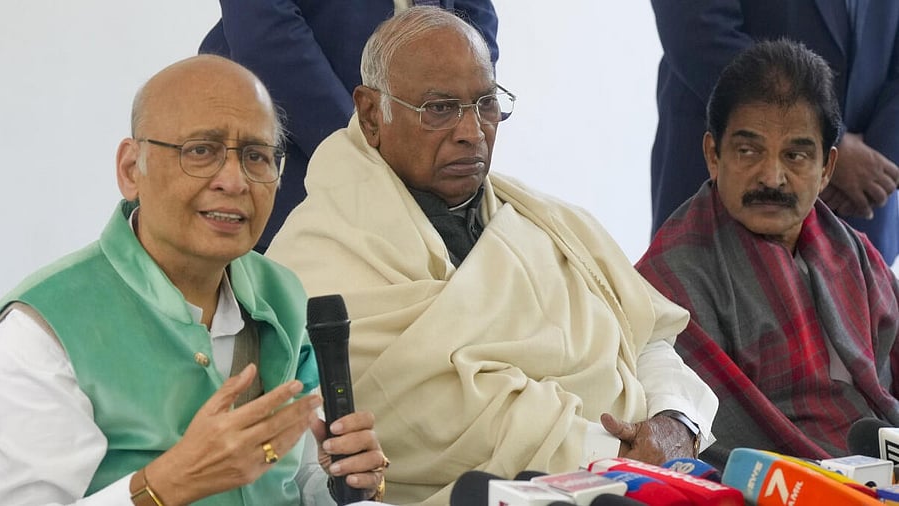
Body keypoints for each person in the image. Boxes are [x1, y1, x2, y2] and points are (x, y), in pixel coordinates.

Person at [265, 6, 719, 504]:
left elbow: (648, 339)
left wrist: (676, 420)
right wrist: (626, 461)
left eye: (485, 103)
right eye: (440, 108)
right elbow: (441, 419)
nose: (471, 131)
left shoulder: (547, 220)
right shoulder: (321, 253)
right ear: (373, 114)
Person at [0, 55, 388, 505]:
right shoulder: (45, 330)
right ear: (131, 169)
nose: (234, 180)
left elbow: (302, 481)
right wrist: (165, 486)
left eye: (257, 157)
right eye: (200, 151)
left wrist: (351, 480)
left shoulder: (284, 297)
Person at [636, 39, 899, 470]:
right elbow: (707, 436)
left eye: (795, 155)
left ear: (827, 167)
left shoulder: (855, 254)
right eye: (748, 151)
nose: (772, 177)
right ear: (712, 155)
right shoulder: (668, 280)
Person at [199, 0, 500, 252]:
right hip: (297, 153)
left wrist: (459, 103)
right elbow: (264, 33)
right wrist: (360, 145)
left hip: (427, 175)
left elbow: (474, 21)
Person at [649, 1, 899, 266]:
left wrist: (879, 158)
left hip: (863, 203)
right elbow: (697, 32)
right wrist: (822, 146)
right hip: (726, 195)